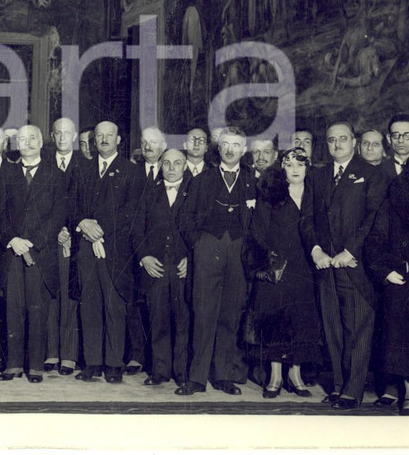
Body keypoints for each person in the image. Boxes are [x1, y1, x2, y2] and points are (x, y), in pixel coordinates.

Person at [303, 121, 384, 410]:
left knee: (358, 328)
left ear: (354, 142)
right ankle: (338, 385)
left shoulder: (371, 174)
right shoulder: (317, 175)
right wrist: (315, 250)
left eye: (343, 139)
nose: (337, 144)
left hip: (355, 265)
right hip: (325, 265)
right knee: (333, 328)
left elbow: (373, 218)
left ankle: (353, 390)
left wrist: (350, 251)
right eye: (331, 140)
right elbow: (307, 217)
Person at [176, 126, 255, 396]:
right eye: (226, 145)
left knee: (230, 315)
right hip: (208, 248)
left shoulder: (252, 179)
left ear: (244, 150)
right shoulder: (202, 180)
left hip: (239, 252)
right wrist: (198, 244)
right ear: (218, 148)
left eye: (236, 145)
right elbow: (185, 218)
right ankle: (196, 378)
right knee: (203, 313)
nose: (230, 150)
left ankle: (223, 376)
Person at [0, 125, 68, 383]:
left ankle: (35, 366)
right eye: (22, 139)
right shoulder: (7, 172)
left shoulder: (55, 174)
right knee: (13, 308)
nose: (28, 142)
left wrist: (33, 242)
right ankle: (13, 365)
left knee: (37, 310)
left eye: (32, 138)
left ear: (41, 142)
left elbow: (58, 214)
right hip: (13, 252)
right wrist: (12, 240)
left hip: (40, 253)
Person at [244, 149, 321, 398]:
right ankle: (275, 376)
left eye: (300, 165)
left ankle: (295, 375)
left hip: (304, 265)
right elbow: (258, 231)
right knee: (276, 322)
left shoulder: (314, 192)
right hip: (277, 265)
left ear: (308, 168)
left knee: (299, 320)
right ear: (282, 168)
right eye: (290, 165)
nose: (295, 170)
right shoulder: (271, 193)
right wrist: (266, 265)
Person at [73, 121, 145, 384]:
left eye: (109, 135)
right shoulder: (82, 169)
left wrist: (99, 231)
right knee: (90, 305)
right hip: (86, 247)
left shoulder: (132, 171)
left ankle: (114, 364)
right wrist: (83, 223)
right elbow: (71, 203)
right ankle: (92, 362)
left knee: (115, 305)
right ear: (94, 141)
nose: (104, 140)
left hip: (116, 249)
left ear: (118, 140)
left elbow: (131, 211)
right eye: (99, 136)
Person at [364, 152, 409, 415]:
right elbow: (374, 244)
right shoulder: (392, 205)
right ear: (407, 177)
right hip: (403, 285)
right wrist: (386, 272)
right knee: (404, 338)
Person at [131, 149, 190, 388]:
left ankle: (182, 372)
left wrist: (192, 259)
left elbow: (202, 228)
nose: (172, 168)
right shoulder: (149, 191)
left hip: (182, 267)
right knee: (158, 319)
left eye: (177, 163)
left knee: (183, 319)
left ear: (185, 166)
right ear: (161, 166)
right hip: (155, 266)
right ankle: (159, 370)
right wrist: (144, 257)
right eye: (167, 163)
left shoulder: (194, 191)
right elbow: (136, 229)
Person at [45, 118, 85, 376]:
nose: (62, 137)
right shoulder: (43, 162)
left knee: (71, 297)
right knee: (50, 294)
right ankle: (51, 352)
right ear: (52, 136)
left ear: (74, 135)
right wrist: (55, 230)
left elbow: (87, 204)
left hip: (76, 239)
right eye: (57, 133)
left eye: (67, 133)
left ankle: (69, 355)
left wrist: (72, 230)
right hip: (49, 238)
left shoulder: (86, 164)